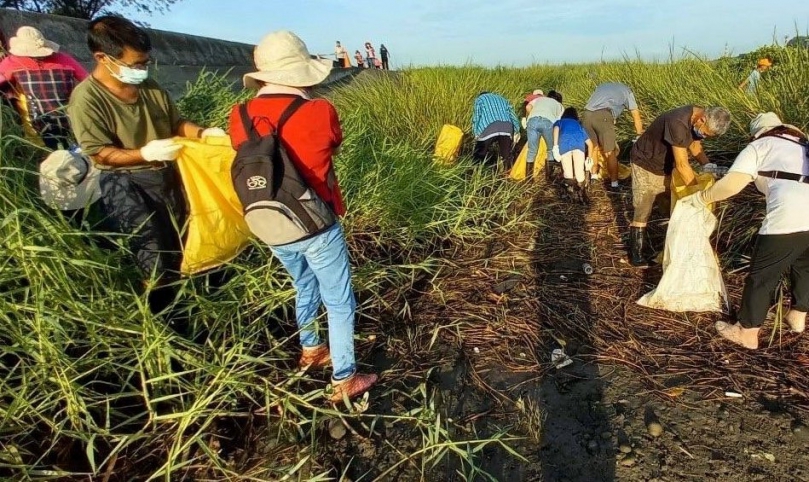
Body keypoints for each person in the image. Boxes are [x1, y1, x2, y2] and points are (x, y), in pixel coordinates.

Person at [228, 30, 377, 402]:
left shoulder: (240, 115)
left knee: (303, 285)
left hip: (269, 222)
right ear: (301, 73)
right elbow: (332, 146)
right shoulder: (319, 110)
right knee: (339, 300)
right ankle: (344, 378)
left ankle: (311, 349)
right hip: (315, 221)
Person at [67, 16, 223, 330]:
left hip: (166, 176)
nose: (141, 70)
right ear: (103, 58)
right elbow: (100, 153)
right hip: (126, 184)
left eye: (145, 63)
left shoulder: (148, 87)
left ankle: (209, 309)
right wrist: (144, 153)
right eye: (136, 63)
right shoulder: (87, 99)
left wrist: (204, 134)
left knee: (189, 242)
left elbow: (177, 123)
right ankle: (170, 328)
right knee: (154, 257)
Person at [685, 113, 809, 349]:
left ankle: (747, 331)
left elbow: (732, 184)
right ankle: (798, 316)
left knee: (762, 276)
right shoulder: (801, 143)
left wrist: (702, 198)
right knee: (804, 267)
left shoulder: (760, 145)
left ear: (756, 132)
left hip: (787, 217)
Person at [627, 105, 731, 267]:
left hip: (666, 166)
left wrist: (708, 166)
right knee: (643, 206)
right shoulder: (678, 122)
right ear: (702, 119)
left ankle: (672, 248)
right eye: (705, 133)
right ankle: (636, 253)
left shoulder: (697, 119)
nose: (703, 135)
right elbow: (682, 165)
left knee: (672, 205)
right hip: (646, 162)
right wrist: (697, 192)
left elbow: (695, 146)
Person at [0, 26, 88, 149]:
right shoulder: (64, 59)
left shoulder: (11, 62)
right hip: (70, 123)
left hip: (39, 126)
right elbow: (88, 81)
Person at [582, 82, 644, 189]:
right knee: (610, 152)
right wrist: (639, 135)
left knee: (594, 148)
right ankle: (614, 184)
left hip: (586, 115)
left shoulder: (601, 86)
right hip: (603, 115)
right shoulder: (627, 92)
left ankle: (594, 177)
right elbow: (636, 115)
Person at [553, 107, 594, 204]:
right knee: (579, 171)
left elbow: (556, 129)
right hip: (579, 146)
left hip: (564, 144)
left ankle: (570, 195)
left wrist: (555, 146)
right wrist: (589, 158)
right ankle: (582, 195)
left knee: (568, 172)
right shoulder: (578, 125)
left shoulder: (560, 122)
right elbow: (590, 144)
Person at [471, 91, 521, 171]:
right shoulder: (502, 99)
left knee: (479, 154)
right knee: (506, 156)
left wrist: (475, 133)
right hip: (507, 126)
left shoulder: (480, 99)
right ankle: (506, 177)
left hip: (490, 126)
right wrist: (517, 130)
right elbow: (513, 115)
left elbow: (476, 117)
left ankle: (475, 174)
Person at [526, 90, 564, 181]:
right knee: (550, 149)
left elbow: (527, 106)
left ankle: (528, 179)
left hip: (532, 121)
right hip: (548, 122)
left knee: (532, 150)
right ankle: (549, 178)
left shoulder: (540, 99)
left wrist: (533, 115)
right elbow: (558, 123)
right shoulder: (560, 106)